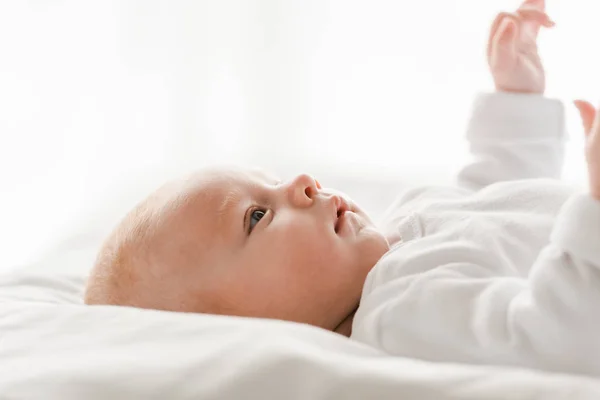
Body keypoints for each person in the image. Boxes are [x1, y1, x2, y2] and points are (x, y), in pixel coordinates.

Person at [85, 0, 600, 376]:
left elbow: (495, 191)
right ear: (246, 326)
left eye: (271, 180)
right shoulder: (407, 312)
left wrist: (517, 97)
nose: (302, 182)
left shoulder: (404, 225)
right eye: (257, 216)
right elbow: (550, 334)